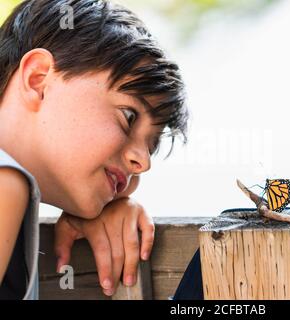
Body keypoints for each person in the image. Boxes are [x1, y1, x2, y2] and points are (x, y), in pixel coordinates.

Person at [0, 0, 188, 299]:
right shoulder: (6, 183)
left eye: (151, 146)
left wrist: (89, 207)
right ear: (38, 79)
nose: (142, 162)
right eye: (128, 117)